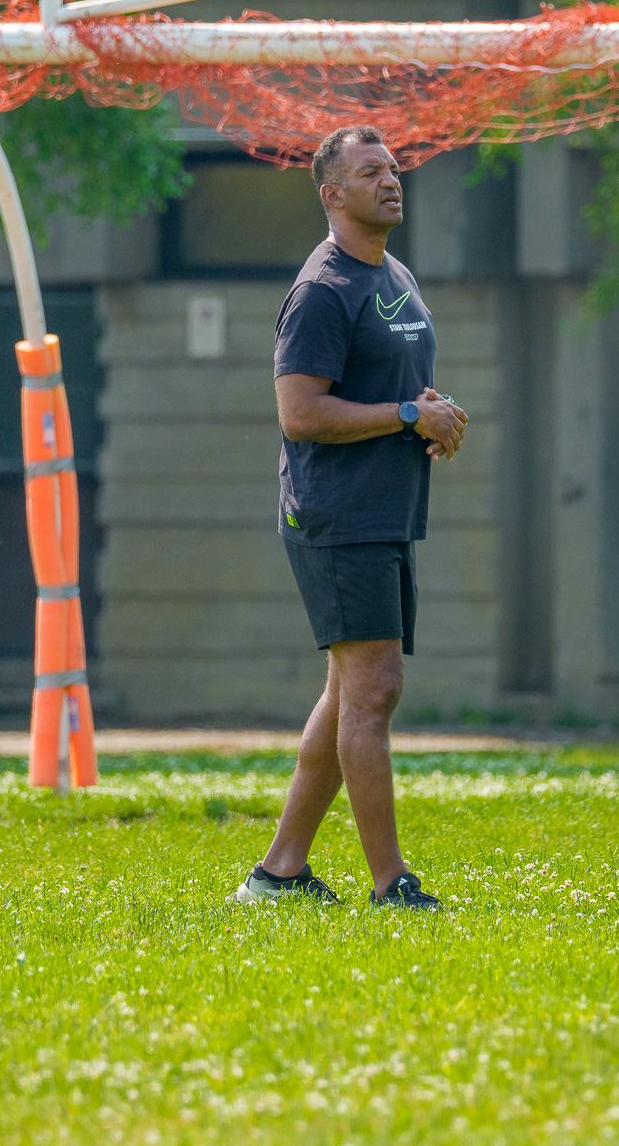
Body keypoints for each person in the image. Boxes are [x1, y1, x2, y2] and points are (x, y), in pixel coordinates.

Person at [236, 125, 468, 910]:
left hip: (387, 508)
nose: (390, 180)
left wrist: (427, 415)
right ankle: (389, 884)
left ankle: (280, 872)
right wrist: (407, 414)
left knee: (348, 696)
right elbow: (299, 413)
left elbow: (395, 385)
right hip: (336, 516)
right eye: (370, 172)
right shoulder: (322, 290)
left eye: (393, 168)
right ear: (332, 196)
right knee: (375, 688)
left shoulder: (390, 273)